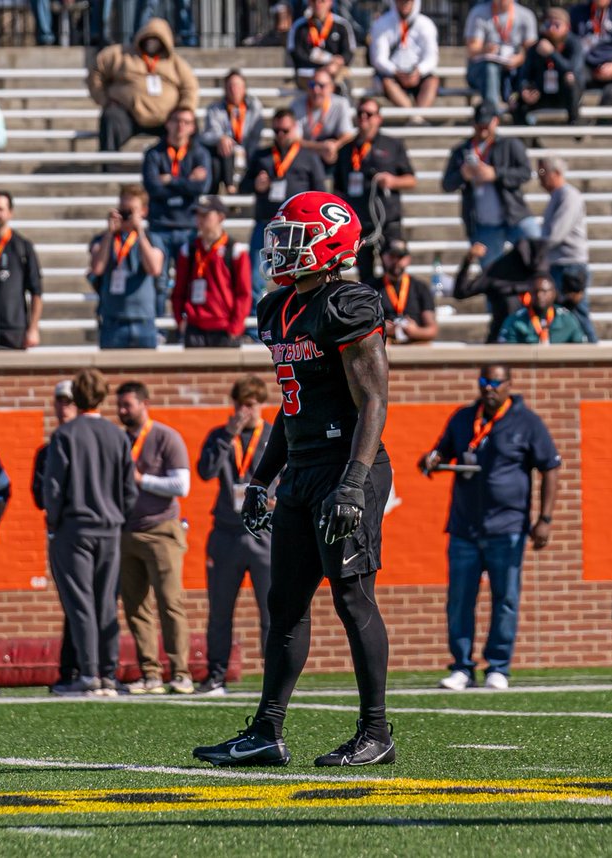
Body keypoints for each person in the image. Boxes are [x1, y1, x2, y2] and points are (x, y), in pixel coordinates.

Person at [194, 191, 396, 767]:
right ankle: (266, 732)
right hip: (303, 470)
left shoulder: (350, 304)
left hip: (346, 467)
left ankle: (376, 732)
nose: (280, 249)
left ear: (330, 243)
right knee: (284, 605)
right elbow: (291, 403)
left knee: (353, 597)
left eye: (293, 239)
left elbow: (374, 401)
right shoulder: (274, 307)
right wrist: (262, 478)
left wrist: (355, 482)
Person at [419, 363, 561, 691]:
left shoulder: (527, 422)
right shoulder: (463, 417)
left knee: (506, 598)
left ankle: (498, 666)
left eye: (496, 381)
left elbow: (550, 469)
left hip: (508, 526)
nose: (489, 387)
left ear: (510, 383)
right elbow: (442, 451)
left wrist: (545, 519)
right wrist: (432, 459)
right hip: (464, 525)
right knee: (459, 599)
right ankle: (462, 667)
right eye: (484, 381)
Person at [43, 369, 138, 697]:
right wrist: (119, 517)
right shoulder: (117, 436)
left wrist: (53, 522)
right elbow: (130, 488)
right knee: (107, 602)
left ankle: (88, 673)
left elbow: (53, 488)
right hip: (110, 529)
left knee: (81, 603)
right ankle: (109, 673)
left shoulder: (65, 435)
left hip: (75, 528)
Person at [195, 376, 275, 695]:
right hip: (226, 534)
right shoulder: (220, 436)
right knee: (220, 609)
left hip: (264, 533)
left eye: (251, 404)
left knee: (271, 609)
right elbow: (205, 471)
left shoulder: (272, 435)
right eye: (240, 404)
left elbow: (292, 473)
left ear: (262, 404)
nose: (245, 411)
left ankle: (274, 676)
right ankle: (216, 673)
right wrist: (228, 434)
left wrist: (277, 499)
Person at [117, 380, 192, 695]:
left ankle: (181, 673)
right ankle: (150, 673)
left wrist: (140, 479)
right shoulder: (119, 440)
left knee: (170, 602)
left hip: (162, 530)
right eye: (119, 405)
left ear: (144, 404)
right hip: (127, 531)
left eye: (127, 405)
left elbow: (181, 486)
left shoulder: (165, 437)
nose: (122, 411)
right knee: (135, 606)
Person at [242, 109, 327, 309]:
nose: (280, 135)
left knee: (299, 275)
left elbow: (320, 192)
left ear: (295, 129)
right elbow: (242, 186)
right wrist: (256, 184)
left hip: (297, 230)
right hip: (267, 224)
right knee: (256, 276)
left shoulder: (308, 157)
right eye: (277, 130)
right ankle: (257, 327)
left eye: (285, 130)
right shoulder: (262, 155)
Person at [442, 102, 540, 267]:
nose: (483, 129)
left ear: (496, 121)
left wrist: (496, 174)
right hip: (485, 225)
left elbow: (525, 173)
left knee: (538, 253)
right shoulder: (461, 151)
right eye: (479, 124)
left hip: (515, 216)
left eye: (487, 124)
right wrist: (462, 175)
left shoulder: (510, 144)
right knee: (491, 274)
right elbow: (446, 184)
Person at [33, 380, 81, 693]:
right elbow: (39, 494)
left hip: (91, 530)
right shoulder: (47, 449)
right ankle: (70, 669)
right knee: (72, 602)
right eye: (59, 402)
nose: (63, 408)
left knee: (94, 604)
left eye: (69, 402)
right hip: (63, 532)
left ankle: (93, 669)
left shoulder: (93, 442)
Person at [335, 97, 416, 281]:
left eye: (369, 114)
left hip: (388, 220)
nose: (364, 117)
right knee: (365, 275)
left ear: (379, 118)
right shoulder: (346, 149)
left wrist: (393, 181)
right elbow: (338, 189)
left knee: (394, 268)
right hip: (359, 223)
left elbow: (411, 180)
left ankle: (393, 307)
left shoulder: (393, 145)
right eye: (360, 113)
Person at [88, 19, 199, 153]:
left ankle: (190, 168)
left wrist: (184, 109)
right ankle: (110, 169)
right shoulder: (121, 54)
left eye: (157, 39)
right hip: (127, 114)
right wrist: (104, 100)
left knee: (189, 124)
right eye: (149, 38)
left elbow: (190, 87)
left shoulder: (176, 63)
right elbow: (96, 72)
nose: (152, 42)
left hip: (167, 119)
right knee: (111, 117)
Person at [142, 106, 212, 317]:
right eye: (177, 120)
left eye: (186, 122)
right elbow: (153, 187)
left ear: (192, 127)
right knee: (159, 281)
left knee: (189, 278)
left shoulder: (200, 153)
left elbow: (202, 187)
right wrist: (187, 181)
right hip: (160, 225)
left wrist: (170, 180)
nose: (181, 126)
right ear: (168, 123)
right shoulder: (154, 153)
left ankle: (186, 322)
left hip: (188, 225)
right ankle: (160, 327)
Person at [88, 184, 165, 349]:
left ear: (143, 211)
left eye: (131, 211)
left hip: (143, 320)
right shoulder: (104, 239)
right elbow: (97, 268)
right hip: (113, 321)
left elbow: (154, 269)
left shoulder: (152, 239)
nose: (126, 215)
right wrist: (109, 234)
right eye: (123, 209)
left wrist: (140, 232)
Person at [172, 196, 252, 347]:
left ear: (221, 217)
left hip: (224, 328)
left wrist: (235, 327)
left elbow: (244, 293)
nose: (200, 219)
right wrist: (180, 320)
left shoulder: (236, 250)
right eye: (198, 214)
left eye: (205, 215)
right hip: (194, 328)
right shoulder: (188, 250)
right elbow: (178, 291)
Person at [538, 155, 596, 342]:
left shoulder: (568, 195)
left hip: (570, 265)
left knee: (578, 313)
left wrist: (535, 249)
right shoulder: (558, 196)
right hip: (559, 263)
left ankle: (594, 351)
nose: (539, 178)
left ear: (556, 172)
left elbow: (556, 233)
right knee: (562, 314)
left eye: (542, 172)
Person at [452, 239, 546, 342]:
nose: (540, 294)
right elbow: (461, 292)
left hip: (537, 340)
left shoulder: (541, 277)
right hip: (502, 341)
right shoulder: (497, 272)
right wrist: (468, 260)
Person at [511, 8, 586, 126]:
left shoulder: (574, 44)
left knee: (570, 78)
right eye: (548, 24)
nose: (551, 29)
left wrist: (552, 54)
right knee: (515, 102)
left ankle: (574, 122)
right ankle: (527, 140)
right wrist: (525, 88)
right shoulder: (536, 46)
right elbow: (524, 74)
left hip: (564, 95)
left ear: (567, 27)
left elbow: (573, 69)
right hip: (542, 94)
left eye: (556, 25)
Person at [370, 0, 441, 115]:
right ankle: (413, 117)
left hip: (417, 74)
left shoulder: (426, 24)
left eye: (408, 1)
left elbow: (432, 57)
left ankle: (418, 117)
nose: (404, 4)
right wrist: (396, 72)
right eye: (401, 1)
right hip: (393, 75)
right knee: (387, 82)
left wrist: (419, 71)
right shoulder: (381, 24)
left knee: (432, 81)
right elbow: (378, 58)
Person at [199, 70, 264, 195]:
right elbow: (209, 133)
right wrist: (221, 138)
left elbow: (255, 135)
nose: (234, 89)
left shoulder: (254, 106)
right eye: (230, 86)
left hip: (248, 150)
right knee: (220, 154)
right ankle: (227, 188)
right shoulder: (214, 108)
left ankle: (237, 190)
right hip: (224, 152)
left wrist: (243, 151)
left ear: (244, 88)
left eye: (237, 86)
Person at [464, 0, 538, 107]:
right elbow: (471, 50)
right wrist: (485, 49)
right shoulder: (478, 13)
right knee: (491, 69)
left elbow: (531, 51)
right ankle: (492, 112)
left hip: (515, 68)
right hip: (483, 69)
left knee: (529, 71)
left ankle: (523, 113)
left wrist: (520, 58)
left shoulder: (526, 15)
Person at [0, 190, 43, 349]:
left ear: (10, 213)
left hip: (13, 331)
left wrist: (34, 328)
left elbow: (36, 291)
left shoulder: (22, 246)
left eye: (0, 209)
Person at [370, 238, 438, 345]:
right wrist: (383, 328)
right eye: (392, 256)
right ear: (383, 257)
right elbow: (364, 326)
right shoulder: (371, 288)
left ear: (408, 259)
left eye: (400, 257)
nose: (396, 261)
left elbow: (432, 330)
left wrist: (415, 331)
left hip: (415, 341)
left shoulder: (420, 287)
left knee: (425, 345)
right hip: (386, 341)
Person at [291, 67, 357, 168]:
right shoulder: (296, 105)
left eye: (321, 86)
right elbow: (294, 139)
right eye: (312, 85)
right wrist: (321, 147)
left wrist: (334, 146)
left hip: (331, 153)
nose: (316, 90)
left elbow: (348, 134)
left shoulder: (341, 104)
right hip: (306, 153)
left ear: (332, 88)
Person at [497, 270, 587, 343]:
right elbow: (506, 352)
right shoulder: (515, 320)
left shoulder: (567, 319)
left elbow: (581, 349)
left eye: (544, 291)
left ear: (554, 293)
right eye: (535, 292)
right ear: (529, 294)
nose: (539, 296)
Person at [288, 0, 357, 91]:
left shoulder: (342, 25)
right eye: (314, 1)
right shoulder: (299, 26)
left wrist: (339, 61)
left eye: (322, 1)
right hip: (308, 73)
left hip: (334, 72)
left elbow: (349, 52)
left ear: (330, 2)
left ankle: (343, 101)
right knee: (318, 85)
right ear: (309, 3)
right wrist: (325, 64)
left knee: (342, 78)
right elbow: (296, 53)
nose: (318, 4)